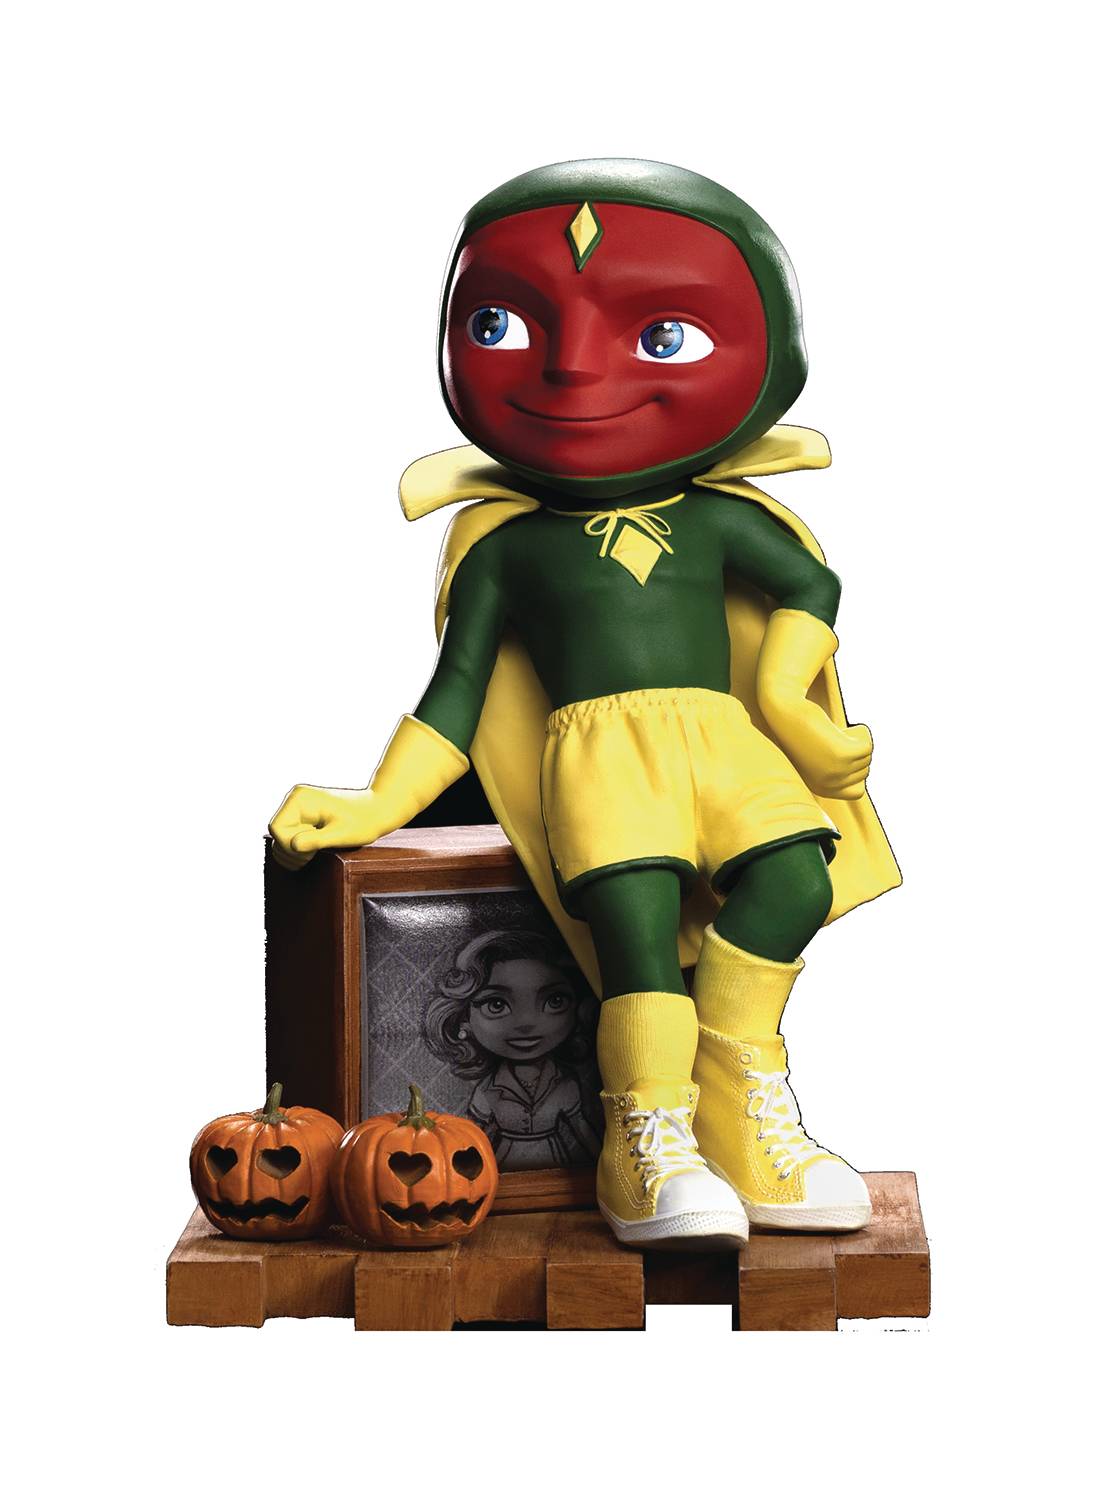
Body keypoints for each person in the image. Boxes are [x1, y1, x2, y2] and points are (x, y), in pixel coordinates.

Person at [270, 158, 901, 1250]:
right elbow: (457, 695)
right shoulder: (507, 550)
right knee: (634, 935)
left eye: (661, 335)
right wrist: (376, 803)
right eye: (504, 325)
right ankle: (644, 1140)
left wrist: (787, 701)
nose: (571, 368)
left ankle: (737, 1099)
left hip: (722, 736)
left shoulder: (721, 521)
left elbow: (811, 588)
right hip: (599, 760)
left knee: (795, 876)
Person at [423, 928, 601, 1170]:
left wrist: (604, 1169)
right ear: (464, 1019)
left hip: (556, 1174)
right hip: (502, 1173)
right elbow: (473, 1137)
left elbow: (582, 1131)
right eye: (496, 1005)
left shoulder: (565, 1083)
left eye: (554, 1001)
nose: (526, 1022)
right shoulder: (488, 1091)